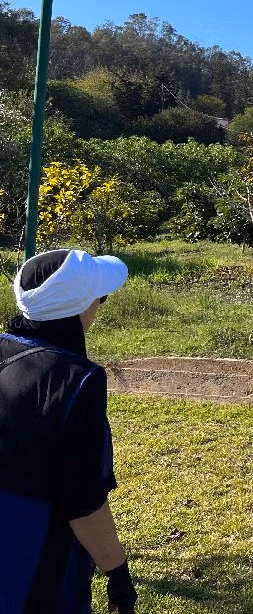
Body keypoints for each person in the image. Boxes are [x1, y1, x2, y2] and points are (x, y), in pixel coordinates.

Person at [1, 249, 139, 614]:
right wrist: (117, 573)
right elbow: (83, 503)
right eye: (100, 298)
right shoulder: (79, 381)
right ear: (79, 308)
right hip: (34, 562)